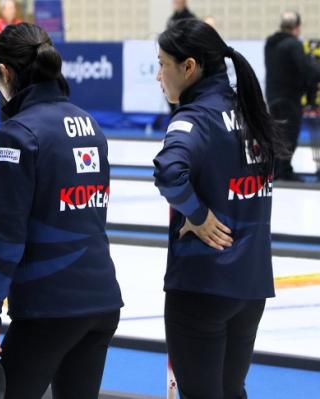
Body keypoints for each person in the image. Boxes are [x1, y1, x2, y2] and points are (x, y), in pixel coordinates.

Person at [0, 23, 122, 399]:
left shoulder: (16, 134)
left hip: (50, 305)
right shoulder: (90, 124)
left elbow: (8, 235)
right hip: (102, 301)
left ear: (4, 73)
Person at [154, 19, 281, 398]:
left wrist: (198, 215)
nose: (159, 76)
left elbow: (168, 171)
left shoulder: (195, 118)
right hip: (251, 285)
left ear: (189, 67)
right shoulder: (251, 112)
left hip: (202, 285)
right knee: (231, 390)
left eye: (163, 64)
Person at [265, 11, 315, 180]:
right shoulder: (294, 45)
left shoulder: (270, 44)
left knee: (278, 135)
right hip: (289, 99)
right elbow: (308, 70)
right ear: (297, 27)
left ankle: (277, 170)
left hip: (272, 98)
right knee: (289, 136)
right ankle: (284, 172)